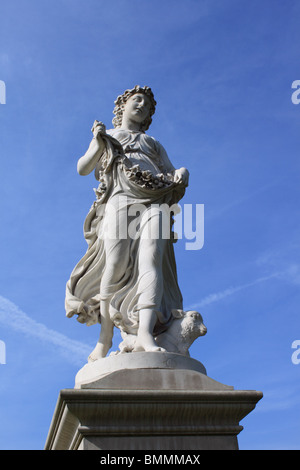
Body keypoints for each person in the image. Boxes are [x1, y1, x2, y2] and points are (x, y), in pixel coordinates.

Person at [65, 85, 189, 361]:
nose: (142, 105)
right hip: (120, 197)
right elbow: (83, 168)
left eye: (147, 104)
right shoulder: (109, 135)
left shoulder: (152, 143)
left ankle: (145, 332)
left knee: (151, 259)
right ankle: (105, 338)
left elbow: (169, 170)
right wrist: (98, 143)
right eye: (137, 100)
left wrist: (181, 172)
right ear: (123, 106)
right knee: (115, 264)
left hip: (155, 198)